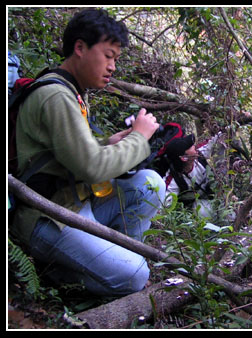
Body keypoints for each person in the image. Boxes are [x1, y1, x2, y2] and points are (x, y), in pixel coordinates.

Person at [10, 9, 166, 296]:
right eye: (108, 56)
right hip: (47, 218)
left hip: (75, 206)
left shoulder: (71, 91)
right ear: (80, 48)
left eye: (116, 59)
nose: (113, 67)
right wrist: (140, 138)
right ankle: (59, 276)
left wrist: (112, 142)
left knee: (150, 184)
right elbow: (92, 168)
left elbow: (72, 155)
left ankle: (110, 256)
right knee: (134, 275)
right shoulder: (56, 96)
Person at [161, 133, 218, 218]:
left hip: (216, 194)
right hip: (197, 205)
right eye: (190, 146)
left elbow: (217, 139)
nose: (194, 146)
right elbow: (163, 207)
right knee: (201, 211)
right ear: (184, 158)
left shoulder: (200, 154)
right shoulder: (174, 180)